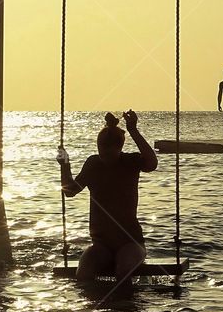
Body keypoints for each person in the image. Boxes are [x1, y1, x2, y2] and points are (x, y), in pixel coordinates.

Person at [58, 111, 157, 284]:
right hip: (102, 244)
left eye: (109, 153)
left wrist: (133, 130)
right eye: (102, 152)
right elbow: (70, 191)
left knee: (124, 270)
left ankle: (124, 308)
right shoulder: (93, 164)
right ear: (98, 148)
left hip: (131, 243)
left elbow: (152, 163)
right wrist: (65, 165)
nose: (105, 157)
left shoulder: (130, 162)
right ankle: (96, 307)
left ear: (119, 148)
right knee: (84, 272)